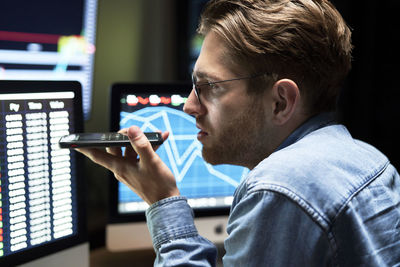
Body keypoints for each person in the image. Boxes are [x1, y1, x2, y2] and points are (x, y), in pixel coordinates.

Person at [78, 0, 400, 265]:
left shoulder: (279, 187)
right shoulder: (372, 160)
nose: (189, 106)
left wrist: (162, 201)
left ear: (280, 101)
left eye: (210, 87)